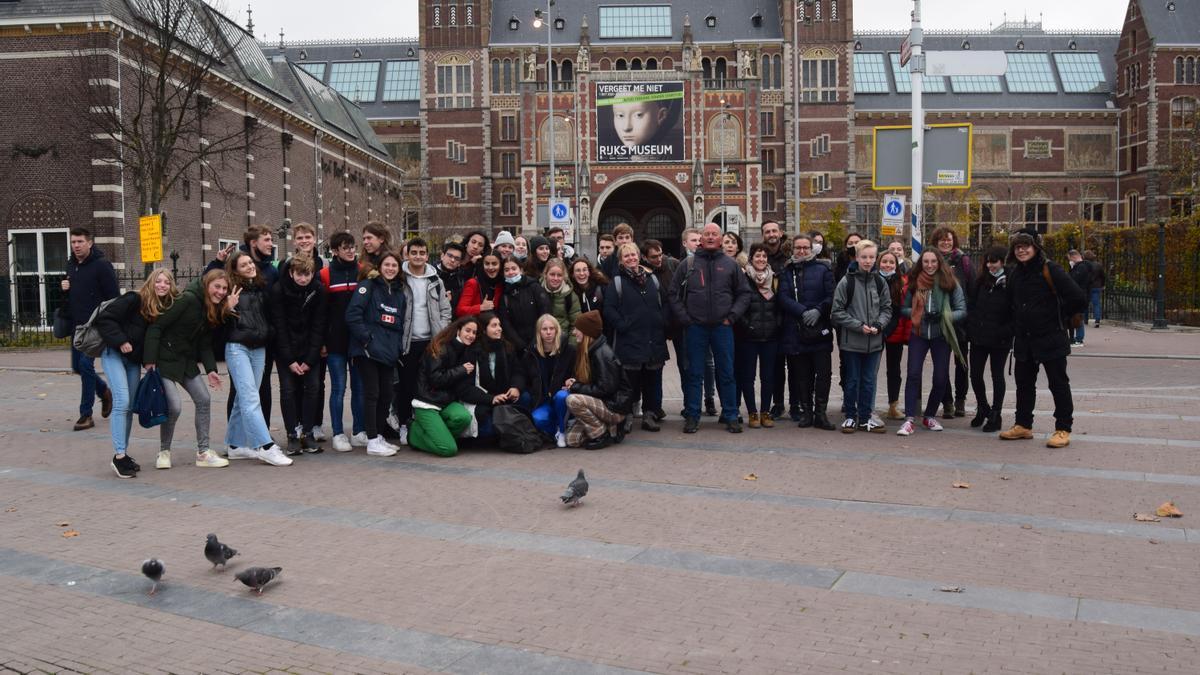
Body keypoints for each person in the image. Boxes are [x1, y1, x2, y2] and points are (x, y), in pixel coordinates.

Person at [1000, 230, 1086, 448]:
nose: (1021, 250)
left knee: (1058, 383)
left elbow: (1078, 298)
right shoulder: (1014, 274)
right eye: (1017, 247)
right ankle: (1023, 424)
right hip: (1024, 339)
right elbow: (1010, 304)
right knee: (1024, 384)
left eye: (1026, 246)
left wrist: (1059, 317)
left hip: (1050, 337)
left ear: (1035, 247)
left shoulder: (1051, 269)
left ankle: (1063, 428)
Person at [143, 269, 230, 470]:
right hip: (164, 359)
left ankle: (203, 453)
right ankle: (164, 451)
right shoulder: (188, 300)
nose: (221, 292)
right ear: (207, 285)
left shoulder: (211, 307)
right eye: (217, 287)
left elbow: (205, 344)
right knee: (174, 406)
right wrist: (149, 360)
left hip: (186, 361)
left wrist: (211, 370)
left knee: (204, 399)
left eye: (224, 288)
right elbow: (157, 327)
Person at [669, 222, 752, 434]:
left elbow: (744, 293)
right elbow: (673, 294)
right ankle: (693, 415)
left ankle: (731, 415)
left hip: (722, 327)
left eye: (715, 234)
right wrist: (685, 319)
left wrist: (732, 317)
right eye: (707, 234)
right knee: (694, 373)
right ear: (702, 238)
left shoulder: (730, 264)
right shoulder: (688, 264)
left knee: (726, 373)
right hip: (695, 328)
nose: (711, 237)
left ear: (721, 237)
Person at [94, 268, 177, 477]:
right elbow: (105, 319)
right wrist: (120, 340)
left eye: (167, 282)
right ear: (151, 281)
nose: (162, 285)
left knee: (129, 406)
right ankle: (119, 456)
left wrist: (150, 361)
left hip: (132, 362)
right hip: (113, 353)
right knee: (121, 401)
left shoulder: (160, 309)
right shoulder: (134, 299)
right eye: (158, 281)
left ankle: (123, 454)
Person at [222, 251, 291, 465]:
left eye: (250, 262)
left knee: (244, 398)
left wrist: (269, 332)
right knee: (251, 397)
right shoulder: (230, 290)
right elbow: (214, 318)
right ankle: (265, 445)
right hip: (238, 347)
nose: (250, 266)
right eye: (244, 265)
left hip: (259, 347)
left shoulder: (261, 287)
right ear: (235, 270)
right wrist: (227, 307)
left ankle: (235, 445)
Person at [210, 225, 279, 428]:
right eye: (266, 240)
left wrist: (272, 332)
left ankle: (260, 431)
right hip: (239, 343)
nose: (270, 244)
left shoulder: (271, 271)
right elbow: (209, 284)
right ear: (253, 243)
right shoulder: (232, 271)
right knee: (241, 391)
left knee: (263, 388)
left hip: (263, 340)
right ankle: (254, 440)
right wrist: (217, 262)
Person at [897, 249, 967, 437]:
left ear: (939, 262)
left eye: (933, 261)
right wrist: (916, 314)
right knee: (913, 375)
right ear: (921, 263)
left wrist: (945, 316)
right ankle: (910, 418)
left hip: (941, 334)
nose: (929, 265)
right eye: (926, 261)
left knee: (941, 378)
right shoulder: (914, 282)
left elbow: (962, 310)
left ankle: (929, 415)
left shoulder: (950, 282)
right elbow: (903, 309)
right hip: (918, 333)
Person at [345, 251, 406, 457]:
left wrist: (397, 347)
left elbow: (398, 324)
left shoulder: (399, 292)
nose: (390, 268)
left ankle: (379, 435)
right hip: (368, 352)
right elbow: (353, 315)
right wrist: (366, 339)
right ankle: (371, 440)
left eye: (394, 265)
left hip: (388, 353)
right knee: (372, 394)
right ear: (379, 267)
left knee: (386, 395)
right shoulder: (367, 286)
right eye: (387, 265)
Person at [603, 242, 670, 432]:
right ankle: (628, 415)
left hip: (653, 338)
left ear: (639, 256)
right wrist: (623, 325)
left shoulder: (652, 279)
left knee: (653, 379)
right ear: (621, 261)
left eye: (633, 255)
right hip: (629, 340)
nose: (631, 258)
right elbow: (609, 309)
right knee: (629, 381)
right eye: (626, 256)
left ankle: (650, 414)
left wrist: (662, 320)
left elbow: (665, 302)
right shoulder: (617, 282)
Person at [394, 237, 453, 444]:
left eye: (422, 253)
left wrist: (441, 332)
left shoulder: (435, 280)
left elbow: (445, 309)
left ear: (427, 256)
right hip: (407, 342)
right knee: (406, 386)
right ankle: (404, 424)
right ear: (407, 254)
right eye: (414, 252)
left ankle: (424, 424)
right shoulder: (399, 279)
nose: (418, 256)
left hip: (431, 342)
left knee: (427, 385)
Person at [269, 253, 327, 456]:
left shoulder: (318, 290)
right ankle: (292, 434)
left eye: (308, 274)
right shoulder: (279, 290)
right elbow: (279, 326)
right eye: (299, 275)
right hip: (286, 350)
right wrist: (290, 360)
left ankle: (308, 433)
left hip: (309, 349)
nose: (303, 279)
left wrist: (310, 360)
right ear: (291, 273)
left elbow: (319, 325)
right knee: (288, 391)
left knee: (313, 388)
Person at [831, 240, 892, 433]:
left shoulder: (880, 282)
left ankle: (865, 417)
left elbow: (886, 309)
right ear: (857, 258)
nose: (867, 261)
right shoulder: (846, 281)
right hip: (852, 342)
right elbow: (837, 311)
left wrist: (879, 324)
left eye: (871, 257)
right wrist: (859, 326)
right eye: (864, 257)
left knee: (869, 381)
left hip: (874, 343)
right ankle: (850, 416)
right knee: (852, 380)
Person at [62, 227, 117, 431]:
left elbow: (113, 298)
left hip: (95, 327)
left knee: (86, 366)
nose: (76, 246)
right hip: (77, 326)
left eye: (80, 242)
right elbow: (72, 297)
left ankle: (86, 415)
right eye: (73, 242)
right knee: (77, 367)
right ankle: (104, 391)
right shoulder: (71, 265)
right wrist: (64, 289)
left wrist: (107, 325)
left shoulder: (102, 266)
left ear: (90, 243)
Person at [779, 235, 836, 429]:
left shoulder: (824, 269)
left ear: (812, 249)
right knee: (802, 375)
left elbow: (831, 295)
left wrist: (819, 310)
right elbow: (783, 297)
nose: (801, 251)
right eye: (798, 248)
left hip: (820, 329)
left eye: (805, 247)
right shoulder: (786, 271)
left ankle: (821, 413)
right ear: (792, 249)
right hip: (796, 330)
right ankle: (807, 413)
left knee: (823, 374)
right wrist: (802, 312)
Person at [320, 231, 367, 452]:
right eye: (345, 247)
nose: (350, 251)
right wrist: (322, 341)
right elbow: (320, 313)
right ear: (335, 251)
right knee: (338, 388)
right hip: (335, 342)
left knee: (359, 388)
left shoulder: (363, 272)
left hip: (357, 342)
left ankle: (359, 431)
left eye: (352, 246)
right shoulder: (325, 275)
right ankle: (338, 433)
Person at [408, 316, 481, 457]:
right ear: (458, 330)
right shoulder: (440, 346)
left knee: (464, 417)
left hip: (446, 402)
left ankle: (439, 436)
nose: (471, 335)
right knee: (449, 449)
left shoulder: (465, 349)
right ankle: (414, 435)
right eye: (468, 330)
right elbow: (436, 379)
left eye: (474, 332)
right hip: (427, 402)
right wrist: (461, 370)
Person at [281, 223, 326, 442]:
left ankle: (312, 426)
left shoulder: (323, 268)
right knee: (291, 388)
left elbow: (321, 319)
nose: (304, 240)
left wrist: (314, 352)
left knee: (315, 386)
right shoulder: (284, 268)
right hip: (289, 343)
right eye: (300, 237)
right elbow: (279, 314)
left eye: (308, 236)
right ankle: (295, 428)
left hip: (312, 344)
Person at [564, 311, 632, 449]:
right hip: (604, 402)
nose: (574, 332)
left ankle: (601, 434)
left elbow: (605, 389)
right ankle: (609, 428)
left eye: (577, 329)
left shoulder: (603, 354)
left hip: (614, 406)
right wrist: (575, 382)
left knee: (573, 400)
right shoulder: (590, 350)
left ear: (586, 332)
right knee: (572, 440)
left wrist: (575, 387)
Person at [967, 246, 1013, 433]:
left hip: (1000, 338)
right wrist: (972, 324)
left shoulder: (1011, 282)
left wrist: (1006, 331)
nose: (990, 265)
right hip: (979, 335)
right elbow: (972, 304)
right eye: (988, 262)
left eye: (994, 262)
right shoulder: (981, 281)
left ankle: (996, 413)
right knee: (975, 374)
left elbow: (1015, 310)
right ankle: (983, 407)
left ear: (1002, 262)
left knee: (997, 375)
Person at [735, 243, 781, 429]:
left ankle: (765, 411)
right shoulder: (743, 278)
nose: (761, 259)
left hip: (771, 336)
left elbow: (780, 307)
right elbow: (738, 305)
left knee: (768, 377)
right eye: (757, 256)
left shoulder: (775, 280)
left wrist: (777, 325)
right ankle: (752, 412)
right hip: (749, 337)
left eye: (764, 256)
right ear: (751, 258)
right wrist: (748, 326)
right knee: (748, 377)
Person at [458, 312, 525, 439]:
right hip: (483, 398)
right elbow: (465, 388)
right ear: (484, 330)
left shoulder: (507, 347)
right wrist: (490, 398)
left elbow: (518, 371)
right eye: (494, 325)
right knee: (488, 429)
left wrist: (516, 387)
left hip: (505, 395)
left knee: (525, 398)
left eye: (499, 325)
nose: (499, 328)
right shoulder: (472, 352)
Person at [931, 226, 973, 418]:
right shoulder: (931, 261)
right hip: (939, 321)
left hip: (960, 320)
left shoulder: (963, 260)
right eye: (942, 240)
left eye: (948, 239)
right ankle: (946, 401)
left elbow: (972, 288)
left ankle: (960, 400)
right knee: (941, 364)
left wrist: (969, 315)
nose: (946, 243)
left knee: (961, 362)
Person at [523, 314, 576, 447]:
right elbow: (525, 377)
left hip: (562, 396)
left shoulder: (569, 350)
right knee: (537, 418)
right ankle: (556, 429)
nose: (548, 332)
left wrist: (573, 381)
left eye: (552, 328)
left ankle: (562, 431)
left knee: (561, 396)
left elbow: (577, 372)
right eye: (544, 329)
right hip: (543, 400)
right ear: (539, 332)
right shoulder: (531, 353)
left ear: (557, 330)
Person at [878, 250, 911, 421]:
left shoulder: (902, 282)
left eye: (891, 262)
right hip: (874, 331)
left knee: (894, 370)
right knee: (871, 369)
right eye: (884, 262)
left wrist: (890, 330)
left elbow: (902, 310)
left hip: (894, 332)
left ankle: (893, 405)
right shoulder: (873, 280)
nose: (888, 265)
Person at [498, 257, 550, 351]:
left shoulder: (534, 287)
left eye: (514, 268)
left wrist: (536, 339)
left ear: (521, 270)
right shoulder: (504, 294)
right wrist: (519, 344)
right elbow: (505, 322)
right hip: (517, 347)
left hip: (539, 341)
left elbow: (544, 311)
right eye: (506, 270)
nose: (510, 272)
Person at [542, 258, 580, 341]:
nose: (555, 278)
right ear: (545, 274)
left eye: (559, 275)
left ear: (564, 276)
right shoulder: (537, 292)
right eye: (552, 274)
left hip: (562, 343)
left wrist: (570, 348)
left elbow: (576, 325)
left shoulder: (571, 297)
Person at [456, 252, 503, 318]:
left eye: (494, 264)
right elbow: (460, 310)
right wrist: (481, 307)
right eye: (487, 264)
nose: (490, 267)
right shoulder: (473, 283)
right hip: (477, 325)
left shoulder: (500, 284)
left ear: (500, 265)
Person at [1067, 249, 1093, 347]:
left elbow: (1073, 280)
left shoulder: (1081, 267)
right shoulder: (1083, 266)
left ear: (1073, 257)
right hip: (1081, 294)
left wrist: (1072, 269)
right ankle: (1077, 338)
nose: (1070, 261)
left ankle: (1079, 339)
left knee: (1078, 317)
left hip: (1080, 295)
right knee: (1077, 316)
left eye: (1070, 259)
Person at [436, 241, 467, 311]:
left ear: (459, 263)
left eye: (457, 258)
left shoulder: (461, 280)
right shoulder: (431, 274)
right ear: (442, 256)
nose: (452, 260)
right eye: (450, 256)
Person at [1083, 250, 1105, 328]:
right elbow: (1102, 276)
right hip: (1096, 287)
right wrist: (1102, 285)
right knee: (1096, 304)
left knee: (1085, 304)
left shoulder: (1083, 265)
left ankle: (1085, 320)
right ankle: (1097, 320)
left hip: (1087, 287)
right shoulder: (1098, 265)